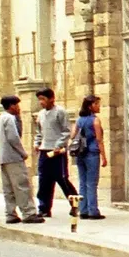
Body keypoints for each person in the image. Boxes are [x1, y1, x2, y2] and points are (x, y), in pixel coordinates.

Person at [0, 95, 43, 224]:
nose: (18, 108)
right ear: (11, 106)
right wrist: (23, 152)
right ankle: (28, 212)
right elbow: (13, 138)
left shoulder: (1, 117)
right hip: (13, 157)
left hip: (4, 157)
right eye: (17, 105)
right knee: (21, 185)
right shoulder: (9, 118)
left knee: (9, 188)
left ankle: (10, 213)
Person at [33, 87, 78, 217]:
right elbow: (39, 132)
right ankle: (44, 208)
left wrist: (59, 145)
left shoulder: (60, 112)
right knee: (44, 180)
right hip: (44, 151)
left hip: (58, 152)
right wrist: (37, 143)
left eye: (43, 99)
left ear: (51, 99)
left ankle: (75, 204)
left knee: (62, 179)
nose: (41, 102)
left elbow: (66, 131)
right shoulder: (41, 114)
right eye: (40, 99)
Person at [73, 95, 108, 220]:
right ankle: (93, 211)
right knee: (92, 183)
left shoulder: (79, 120)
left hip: (80, 153)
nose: (98, 106)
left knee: (82, 182)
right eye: (96, 104)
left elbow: (73, 136)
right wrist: (104, 156)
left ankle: (83, 210)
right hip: (92, 153)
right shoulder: (95, 121)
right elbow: (99, 140)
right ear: (90, 106)